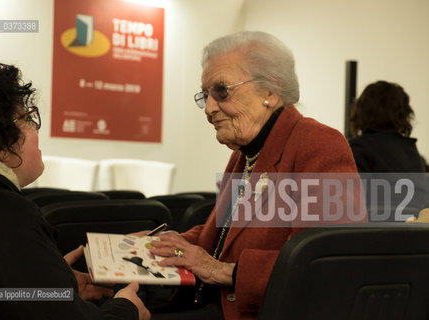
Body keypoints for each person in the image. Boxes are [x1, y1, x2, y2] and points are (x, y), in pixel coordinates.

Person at [148, 31, 365, 320]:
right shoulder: (246, 152)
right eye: (205, 95)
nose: (210, 108)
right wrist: (171, 243)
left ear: (270, 92)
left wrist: (219, 270)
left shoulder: (318, 143)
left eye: (222, 90)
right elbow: (229, 234)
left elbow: (325, 264)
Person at [0, 57, 150, 320]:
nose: (210, 108)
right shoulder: (7, 213)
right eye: (27, 118)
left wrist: (47, 282)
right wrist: (126, 308)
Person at [348, 81, 428, 219]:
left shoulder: (355, 149)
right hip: (415, 234)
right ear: (404, 115)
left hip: (374, 234)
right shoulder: (412, 153)